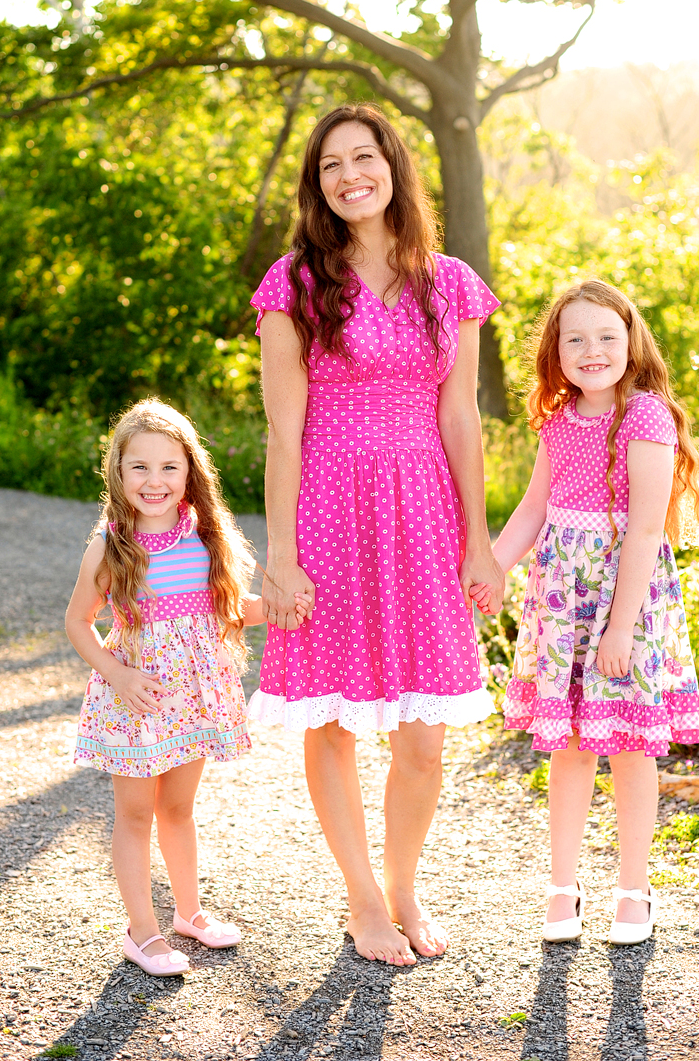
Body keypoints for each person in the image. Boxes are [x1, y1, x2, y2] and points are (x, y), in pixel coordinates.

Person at [250, 103, 504, 966]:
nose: (351, 174)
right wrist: (278, 556)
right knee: (334, 720)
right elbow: (284, 430)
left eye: (365, 157)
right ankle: (362, 897)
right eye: (332, 165)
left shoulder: (453, 282)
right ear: (317, 184)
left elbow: (461, 416)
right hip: (327, 502)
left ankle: (403, 884)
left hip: (425, 510)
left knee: (423, 737)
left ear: (394, 164)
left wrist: (479, 538)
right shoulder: (293, 283)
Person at [481, 280, 699, 945]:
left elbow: (643, 531)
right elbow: (534, 509)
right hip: (561, 603)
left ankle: (633, 888)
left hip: (624, 601)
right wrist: (492, 567)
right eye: (575, 338)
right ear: (556, 348)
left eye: (607, 336)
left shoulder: (645, 416)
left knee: (631, 747)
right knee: (572, 748)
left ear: (631, 341)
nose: (592, 350)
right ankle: (562, 884)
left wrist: (618, 625)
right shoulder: (557, 418)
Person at [66, 398, 308, 975]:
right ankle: (142, 932)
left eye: (169, 467)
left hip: (194, 699)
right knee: (133, 815)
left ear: (190, 471)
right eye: (139, 468)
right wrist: (118, 674)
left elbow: (223, 612)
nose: (155, 481)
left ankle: (189, 914)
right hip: (137, 698)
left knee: (178, 808)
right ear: (117, 472)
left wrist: (275, 610)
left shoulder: (205, 535)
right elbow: (78, 622)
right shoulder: (111, 544)